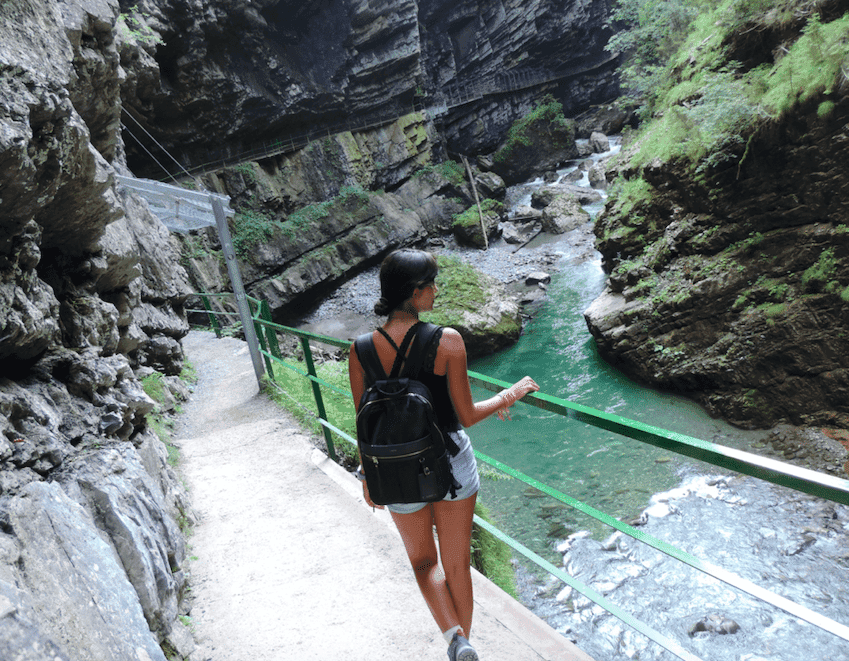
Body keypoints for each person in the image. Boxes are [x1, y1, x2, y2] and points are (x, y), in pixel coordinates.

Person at [348, 248, 539, 661]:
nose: (436, 290)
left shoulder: (360, 349)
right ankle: (463, 646)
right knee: (456, 565)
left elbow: (364, 422)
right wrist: (508, 395)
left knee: (423, 563)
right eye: (431, 284)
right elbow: (466, 415)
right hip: (450, 463)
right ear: (414, 292)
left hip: (394, 469)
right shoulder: (447, 340)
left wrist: (367, 475)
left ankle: (456, 640)